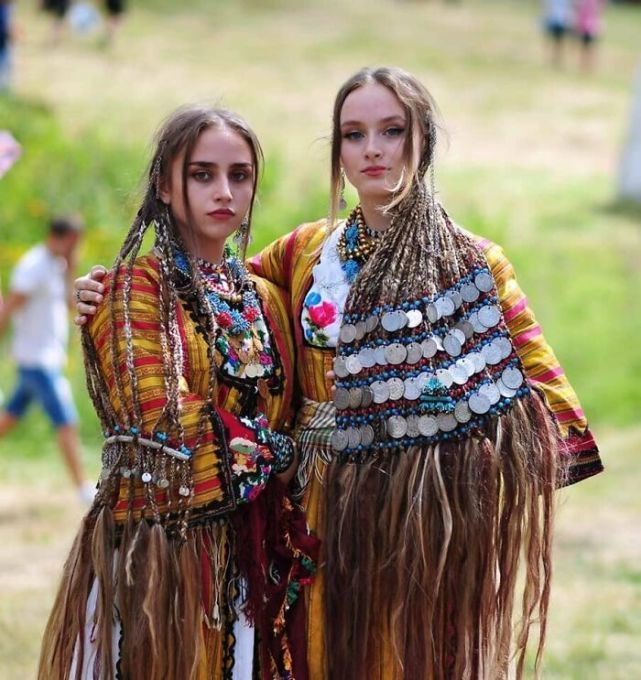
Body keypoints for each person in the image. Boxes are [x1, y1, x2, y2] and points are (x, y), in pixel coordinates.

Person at [75, 67, 603, 678]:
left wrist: (446, 460)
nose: (372, 150)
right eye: (353, 135)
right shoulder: (304, 251)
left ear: (422, 140)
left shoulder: (474, 262)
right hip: (307, 512)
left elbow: (549, 408)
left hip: (418, 513)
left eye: (391, 131)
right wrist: (106, 292)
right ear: (339, 151)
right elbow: (216, 296)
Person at [39, 106, 316, 679]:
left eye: (239, 176)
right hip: (162, 558)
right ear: (165, 186)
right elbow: (164, 420)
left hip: (255, 558)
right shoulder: (133, 290)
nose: (224, 191)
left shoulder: (266, 297)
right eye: (202, 174)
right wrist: (285, 456)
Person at [0, 215, 95, 504]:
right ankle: (82, 488)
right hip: (37, 360)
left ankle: (81, 486)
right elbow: (9, 309)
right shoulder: (33, 266)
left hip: (46, 358)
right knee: (66, 420)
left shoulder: (57, 266)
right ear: (66, 238)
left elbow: (69, 304)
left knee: (8, 418)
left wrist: (71, 270)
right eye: (75, 243)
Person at [575, 0, 606, 73]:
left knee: (590, 48)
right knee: (584, 47)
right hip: (585, 27)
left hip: (592, 27)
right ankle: (583, 66)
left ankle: (590, 66)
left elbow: (599, 12)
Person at [541, 0, 573, 67]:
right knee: (552, 41)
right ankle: (551, 59)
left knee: (559, 42)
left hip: (562, 21)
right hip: (553, 20)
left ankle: (557, 60)